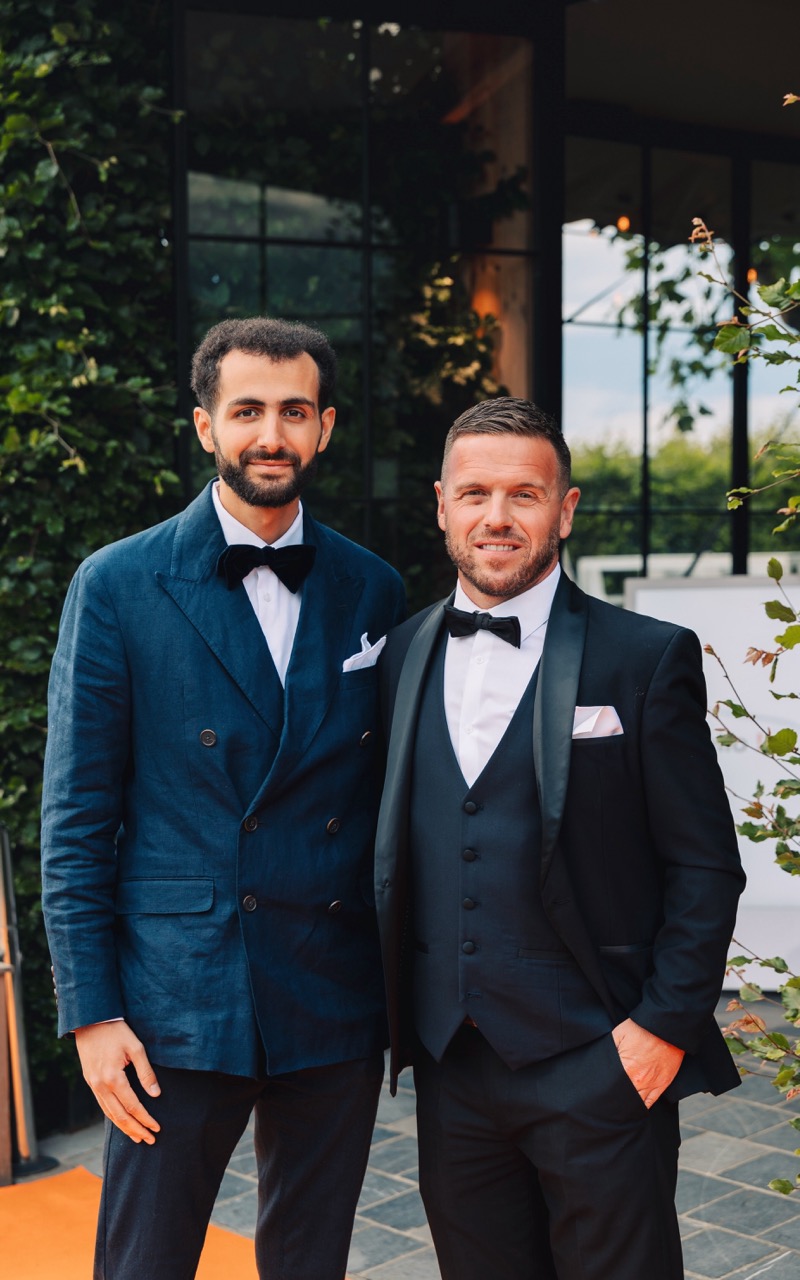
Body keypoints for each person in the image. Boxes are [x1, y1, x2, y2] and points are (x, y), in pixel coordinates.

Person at [41, 316, 405, 1280]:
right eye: (246, 411)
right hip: (175, 1000)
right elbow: (75, 821)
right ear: (206, 425)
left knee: (311, 1261)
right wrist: (91, 1014)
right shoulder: (117, 583)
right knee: (145, 1262)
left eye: (294, 411)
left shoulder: (373, 588)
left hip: (330, 990)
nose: (270, 434)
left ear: (325, 427)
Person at [374, 396, 745, 1280]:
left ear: (566, 509)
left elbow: (705, 865)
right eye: (474, 494)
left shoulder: (644, 657)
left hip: (600, 1061)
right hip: (453, 1071)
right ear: (442, 506)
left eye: (524, 495)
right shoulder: (400, 654)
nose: (496, 517)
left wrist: (658, 1034)